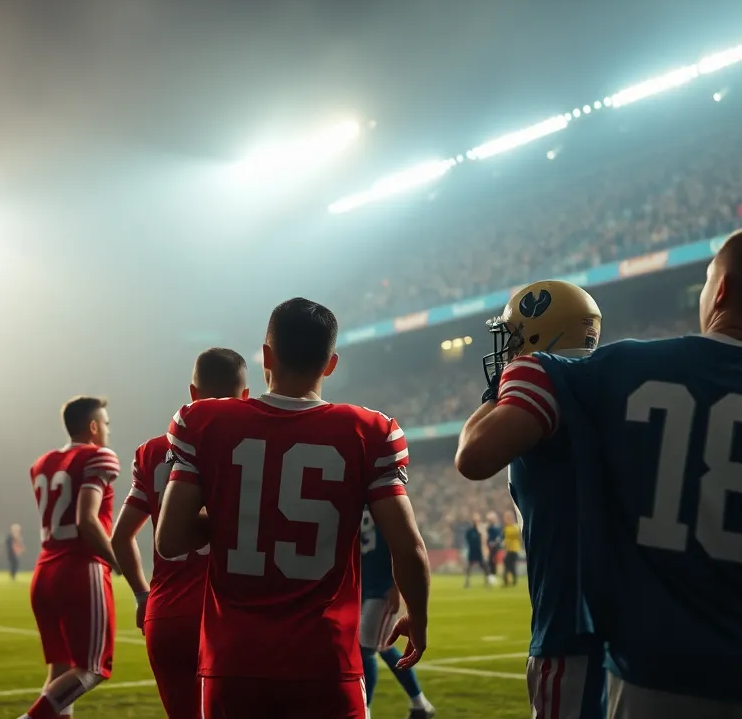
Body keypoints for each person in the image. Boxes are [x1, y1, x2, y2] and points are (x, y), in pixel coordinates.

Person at [457, 226, 742, 719]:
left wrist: (510, 377)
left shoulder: (625, 367)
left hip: (650, 674)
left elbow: (482, 449)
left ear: (720, 290)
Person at [157, 297, 431, 719]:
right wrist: (419, 617)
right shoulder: (372, 431)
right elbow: (408, 546)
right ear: (331, 364)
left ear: (266, 355)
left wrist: (240, 513)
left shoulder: (203, 422)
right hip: (326, 658)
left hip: (233, 661)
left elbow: (171, 538)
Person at [455, 279, 607, 718]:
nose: (508, 351)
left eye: (514, 338)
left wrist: (494, 396)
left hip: (572, 621)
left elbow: (473, 457)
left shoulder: (543, 371)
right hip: (633, 617)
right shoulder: (615, 380)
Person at [111, 347, 250, 719]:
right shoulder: (255, 449)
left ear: (192, 392)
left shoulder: (152, 452)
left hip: (168, 614)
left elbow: (120, 538)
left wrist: (143, 594)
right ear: (246, 396)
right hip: (231, 617)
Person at [18, 396, 121, 719]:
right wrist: (117, 561)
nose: (108, 430)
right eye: (105, 424)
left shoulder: (42, 463)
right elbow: (86, 520)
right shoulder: (99, 457)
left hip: (44, 572)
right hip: (80, 569)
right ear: (92, 427)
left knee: (61, 671)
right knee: (92, 669)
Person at [360, 508, 437, 719]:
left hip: (382, 587)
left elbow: (399, 539)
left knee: (365, 648)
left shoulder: (379, 496)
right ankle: (421, 704)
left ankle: (364, 710)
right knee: (383, 646)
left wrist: (396, 584)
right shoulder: (360, 495)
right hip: (362, 584)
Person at [464, 513, 488, 588]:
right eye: (474, 521)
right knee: (469, 566)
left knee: (484, 566)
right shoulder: (470, 531)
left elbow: (484, 539)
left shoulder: (481, 530)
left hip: (479, 550)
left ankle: (487, 581)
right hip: (472, 550)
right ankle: (467, 582)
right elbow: (467, 539)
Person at [502, 509, 522, 588]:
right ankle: (511, 581)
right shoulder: (507, 528)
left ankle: (509, 581)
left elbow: (518, 538)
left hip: (514, 549)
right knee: (509, 565)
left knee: (509, 565)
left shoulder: (515, 527)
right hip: (509, 549)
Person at [485, 511, 504, 585]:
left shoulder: (497, 528)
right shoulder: (488, 528)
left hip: (495, 548)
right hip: (489, 547)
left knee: (495, 562)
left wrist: (494, 543)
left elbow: (499, 538)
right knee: (490, 562)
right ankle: (491, 577)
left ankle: (494, 576)